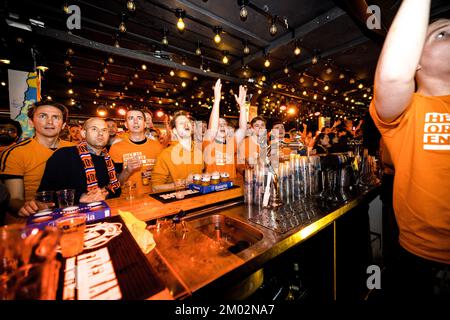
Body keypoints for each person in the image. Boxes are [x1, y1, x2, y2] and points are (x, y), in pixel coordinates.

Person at [370, 0, 449, 299]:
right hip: (427, 259)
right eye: (442, 33)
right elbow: (392, 76)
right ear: (414, 60)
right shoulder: (410, 109)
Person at [35, 118, 133, 209]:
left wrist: (106, 193)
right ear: (83, 133)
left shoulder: (107, 160)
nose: (100, 133)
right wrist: (79, 198)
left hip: (104, 213)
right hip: (70, 218)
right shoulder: (64, 155)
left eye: (104, 130)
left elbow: (114, 188)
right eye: (94, 129)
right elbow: (44, 197)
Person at [0, 101, 72, 218]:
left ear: (63, 125)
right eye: (43, 116)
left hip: (69, 215)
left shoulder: (74, 149)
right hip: (29, 222)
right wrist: (25, 207)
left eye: (56, 117)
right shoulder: (15, 153)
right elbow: (14, 198)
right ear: (31, 122)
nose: (50, 121)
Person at [109, 109, 164, 195]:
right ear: (126, 125)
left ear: (145, 124)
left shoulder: (158, 147)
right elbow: (114, 184)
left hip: (154, 198)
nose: (135, 122)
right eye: (131, 118)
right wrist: (127, 171)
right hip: (128, 200)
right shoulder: (116, 148)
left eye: (139, 118)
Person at [203, 79, 247, 179]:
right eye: (219, 124)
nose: (222, 126)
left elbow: (243, 129)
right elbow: (213, 130)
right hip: (212, 187)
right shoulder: (208, 142)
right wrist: (217, 101)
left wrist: (243, 106)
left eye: (224, 124)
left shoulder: (232, 143)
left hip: (231, 187)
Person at [152, 110, 203, 191]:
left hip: (200, 200)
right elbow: (155, 188)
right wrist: (184, 182)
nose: (186, 124)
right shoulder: (166, 155)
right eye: (181, 123)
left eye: (187, 122)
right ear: (175, 131)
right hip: (178, 201)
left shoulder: (199, 152)